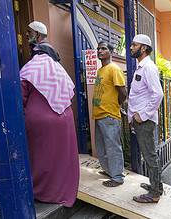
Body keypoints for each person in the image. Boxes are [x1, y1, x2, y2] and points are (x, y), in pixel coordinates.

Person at [20, 21, 79, 207]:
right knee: (61, 159)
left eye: (29, 32)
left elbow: (20, 98)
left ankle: (42, 192)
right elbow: (69, 92)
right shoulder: (58, 69)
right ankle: (63, 192)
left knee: (41, 158)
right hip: (65, 119)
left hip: (40, 122)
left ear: (36, 38)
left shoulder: (30, 68)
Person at [128, 34, 164, 203]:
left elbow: (158, 94)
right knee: (150, 155)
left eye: (134, 45)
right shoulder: (141, 67)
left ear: (143, 48)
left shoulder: (148, 67)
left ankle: (155, 193)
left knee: (149, 156)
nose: (131, 47)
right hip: (141, 119)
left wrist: (141, 115)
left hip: (145, 120)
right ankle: (157, 185)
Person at [93, 41, 127, 187]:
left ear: (111, 52)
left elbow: (123, 92)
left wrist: (116, 105)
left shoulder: (114, 69)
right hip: (99, 114)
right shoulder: (100, 70)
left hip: (109, 115)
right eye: (98, 49)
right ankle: (110, 171)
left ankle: (117, 177)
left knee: (113, 147)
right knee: (101, 148)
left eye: (104, 49)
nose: (100, 51)